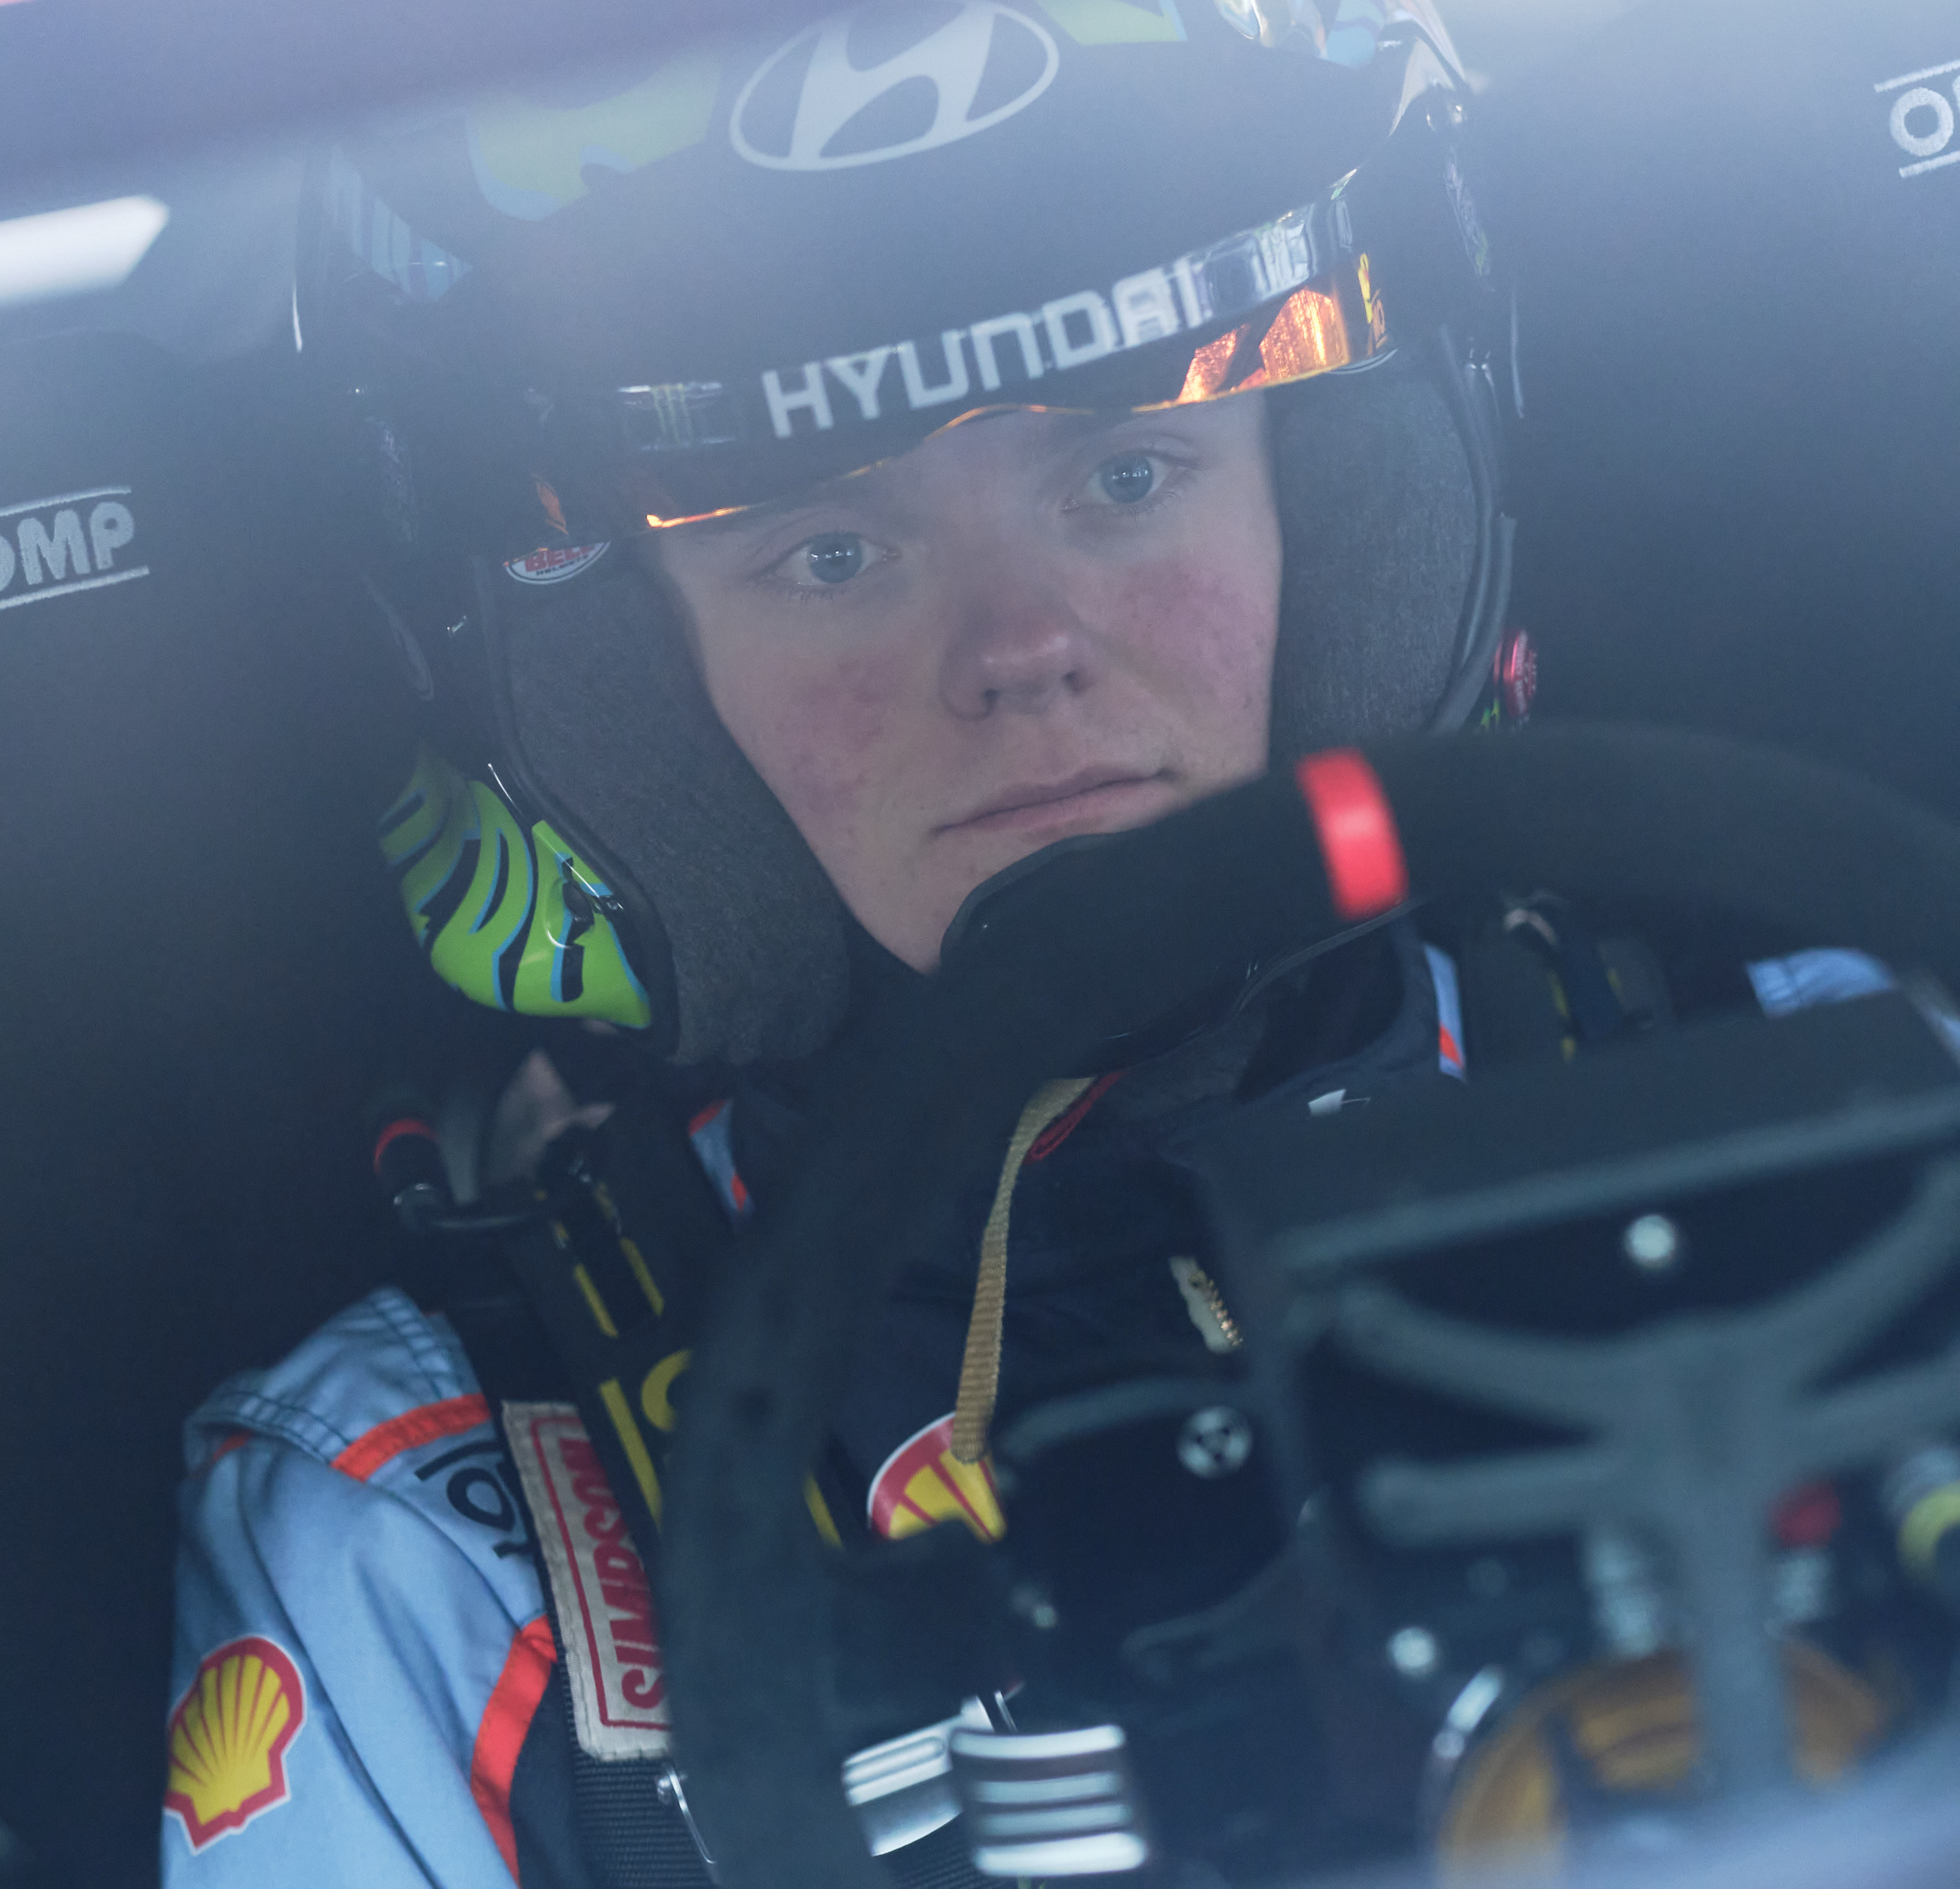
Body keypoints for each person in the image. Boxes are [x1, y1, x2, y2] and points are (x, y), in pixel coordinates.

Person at [162, 4, 1541, 1882]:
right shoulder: (433, 1543)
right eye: (828, 553)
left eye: (1125, 474)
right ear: (623, 699)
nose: (1021, 648)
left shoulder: (1861, 1114)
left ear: (1346, 503)